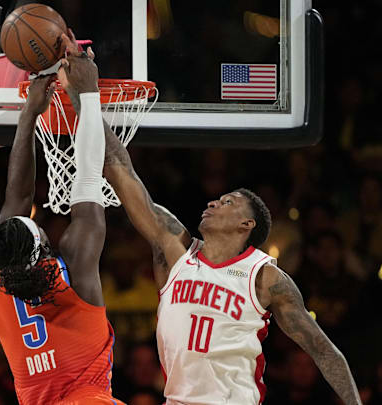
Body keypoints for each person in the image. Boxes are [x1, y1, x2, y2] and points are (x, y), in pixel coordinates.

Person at [61, 31, 361, 405]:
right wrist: (83, 93)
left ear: (247, 225)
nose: (214, 203)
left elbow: (323, 349)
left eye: (229, 202)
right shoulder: (175, 249)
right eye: (218, 198)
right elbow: (118, 166)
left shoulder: (265, 276)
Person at [0, 50, 124, 404]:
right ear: (42, 243)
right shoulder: (72, 274)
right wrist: (82, 94)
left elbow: (82, 181)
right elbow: (19, 199)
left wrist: (41, 111)